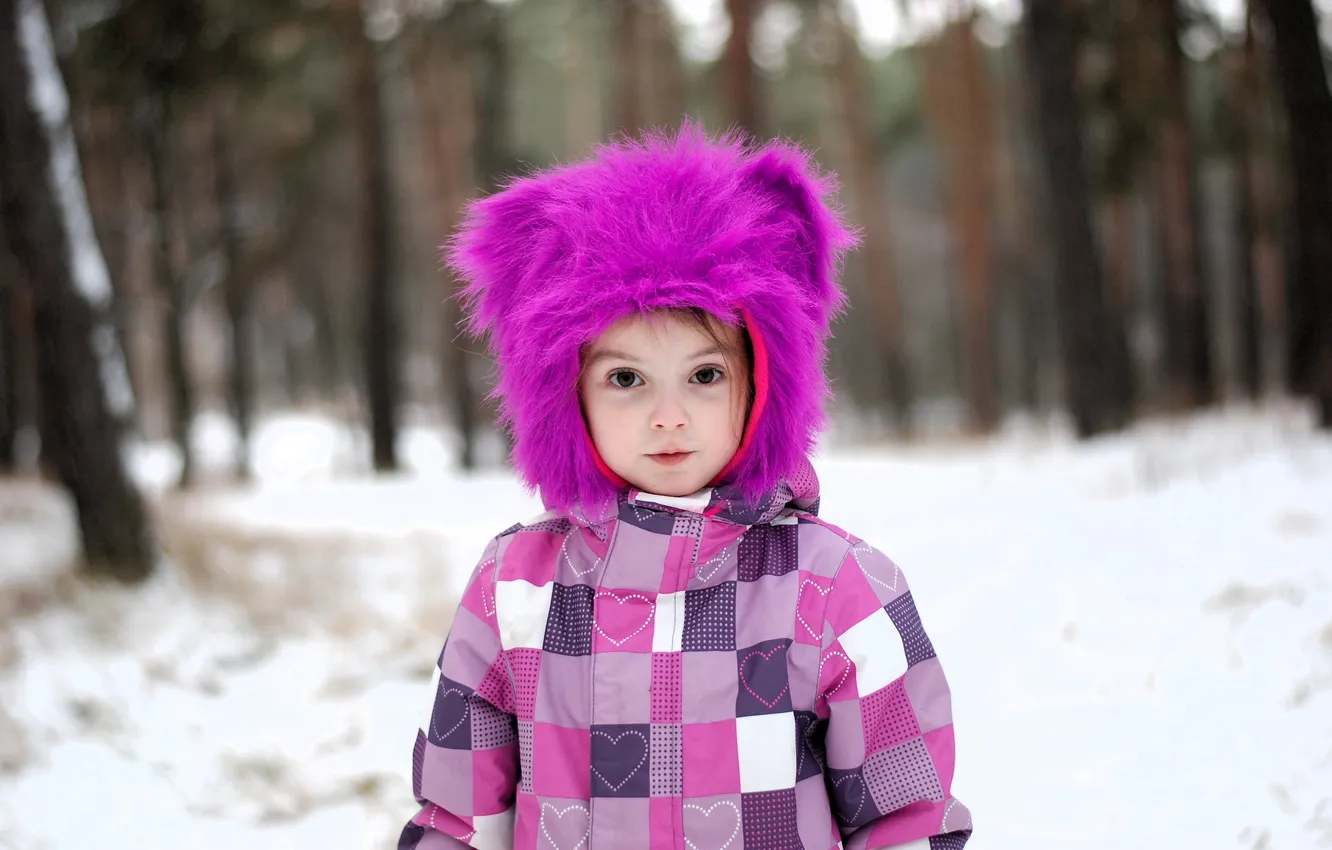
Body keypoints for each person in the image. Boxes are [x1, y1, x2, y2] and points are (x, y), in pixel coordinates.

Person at [399, 123, 972, 850]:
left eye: (704, 375)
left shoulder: (833, 589)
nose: (669, 418)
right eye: (626, 379)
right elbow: (458, 819)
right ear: (565, 394)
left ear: (762, 382)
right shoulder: (513, 589)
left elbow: (905, 819)